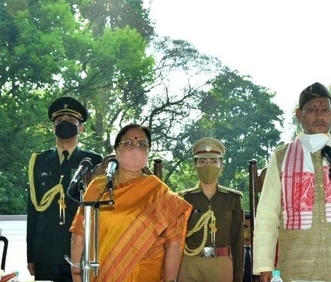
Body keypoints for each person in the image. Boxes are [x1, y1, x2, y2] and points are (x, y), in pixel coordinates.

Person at [253, 82, 331, 282]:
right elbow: (267, 215)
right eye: (312, 109)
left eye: (325, 110)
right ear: (298, 115)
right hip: (296, 267)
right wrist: (264, 265)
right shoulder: (281, 157)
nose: (319, 115)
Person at [69, 123, 193, 281]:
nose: (135, 148)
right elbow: (79, 233)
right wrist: (77, 274)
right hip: (102, 275)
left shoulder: (159, 193)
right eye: (128, 143)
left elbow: (173, 242)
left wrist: (170, 280)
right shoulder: (98, 187)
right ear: (117, 150)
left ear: (148, 151)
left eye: (142, 144)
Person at [26, 96, 103, 282]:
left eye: (70, 120)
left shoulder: (93, 161)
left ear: (81, 127)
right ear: (53, 127)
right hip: (45, 250)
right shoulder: (38, 161)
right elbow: (33, 210)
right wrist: (31, 255)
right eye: (59, 120)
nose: (64, 124)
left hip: (81, 251)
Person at [177, 137, 244, 282]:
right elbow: (175, 239)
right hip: (190, 263)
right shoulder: (183, 199)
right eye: (202, 161)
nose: (208, 166)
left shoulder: (232, 199)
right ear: (195, 165)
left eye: (214, 161)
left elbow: (238, 240)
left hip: (220, 263)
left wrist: (238, 275)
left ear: (221, 165)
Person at [243, 211, 252, 282]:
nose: (248, 230)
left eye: (251, 227)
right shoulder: (232, 251)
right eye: (245, 226)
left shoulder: (262, 251)